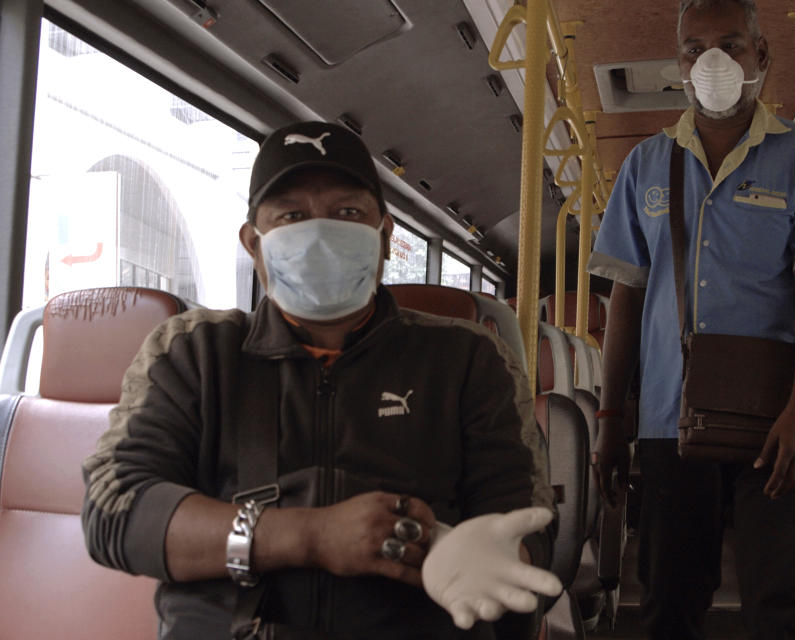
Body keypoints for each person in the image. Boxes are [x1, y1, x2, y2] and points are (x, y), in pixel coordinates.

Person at [81, 121, 560, 639]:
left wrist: (491, 552)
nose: (320, 231)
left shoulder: (468, 358)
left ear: (384, 234)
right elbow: (116, 510)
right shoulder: (194, 352)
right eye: (292, 216)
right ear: (254, 243)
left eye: (348, 212)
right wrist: (309, 537)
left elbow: (525, 518)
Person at [587, 1, 795, 638]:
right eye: (694, 48)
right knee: (668, 601)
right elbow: (625, 296)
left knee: (780, 607)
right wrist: (611, 419)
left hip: (778, 417)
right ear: (679, 65)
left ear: (762, 54)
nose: (712, 62)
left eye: (730, 44)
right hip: (669, 418)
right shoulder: (646, 164)